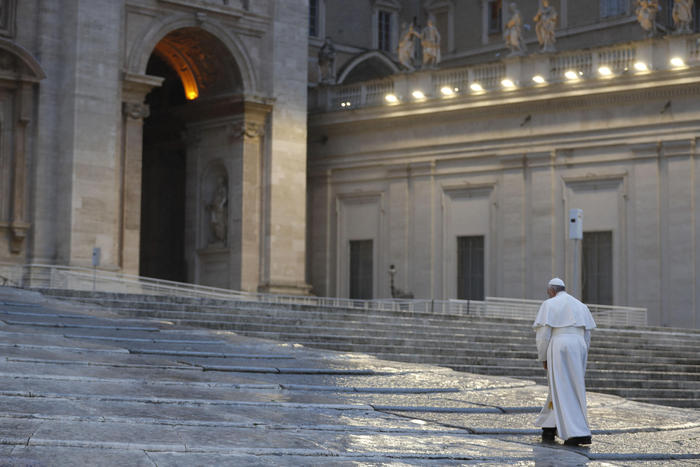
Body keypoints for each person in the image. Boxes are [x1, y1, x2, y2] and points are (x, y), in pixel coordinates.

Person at [533, 278, 596, 446]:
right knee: (571, 386)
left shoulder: (549, 304)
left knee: (561, 385)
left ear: (551, 291)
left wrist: (543, 357)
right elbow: (587, 335)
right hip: (579, 344)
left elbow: (544, 335)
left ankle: (577, 432)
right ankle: (549, 424)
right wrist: (583, 354)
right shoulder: (581, 306)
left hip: (559, 343)